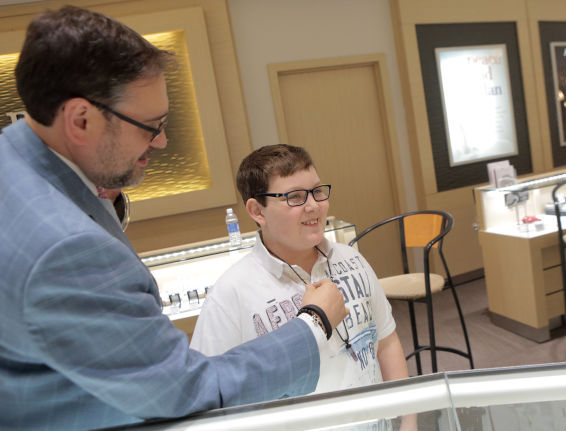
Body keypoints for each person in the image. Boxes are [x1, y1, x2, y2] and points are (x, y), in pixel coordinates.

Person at [0, 6, 347, 431]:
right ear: (80, 119)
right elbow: (184, 391)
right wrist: (313, 324)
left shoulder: (13, 156)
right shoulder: (66, 249)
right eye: (151, 125)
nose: (162, 142)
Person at [191, 144, 410, 394]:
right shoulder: (230, 295)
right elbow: (208, 390)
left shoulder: (352, 259)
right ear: (257, 211)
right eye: (294, 197)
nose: (313, 206)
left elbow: (386, 342)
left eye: (317, 191)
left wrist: (408, 421)